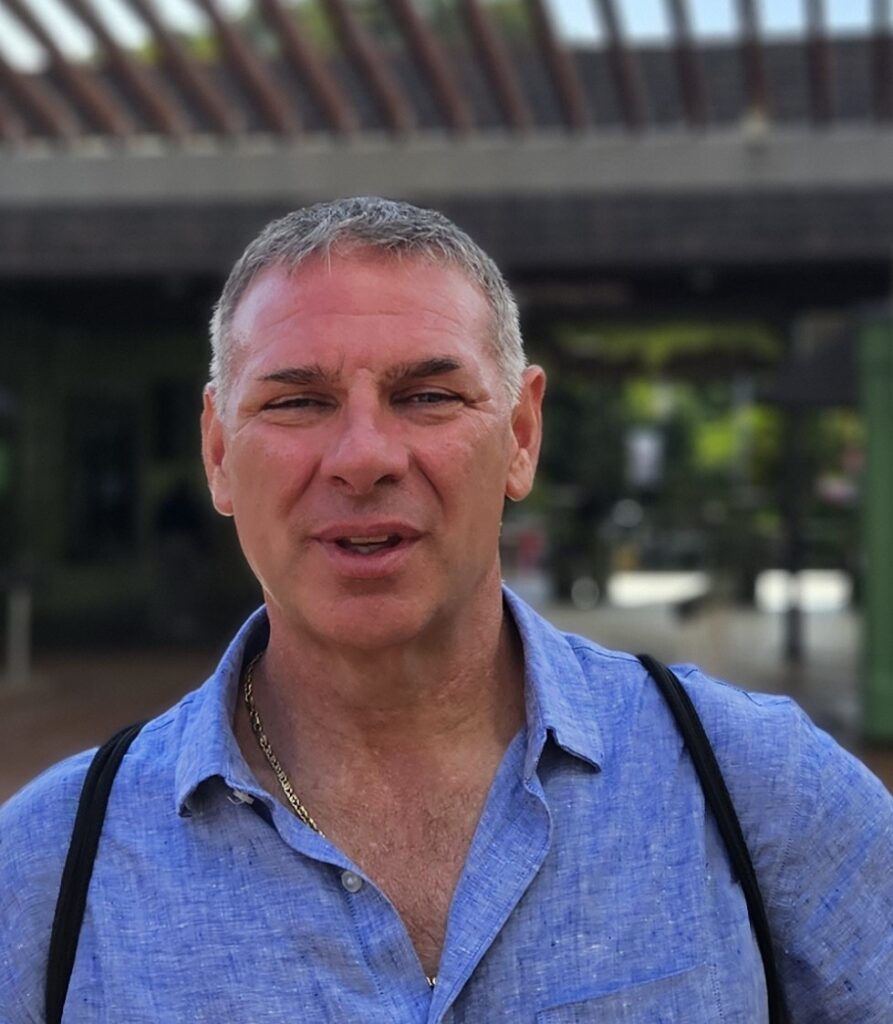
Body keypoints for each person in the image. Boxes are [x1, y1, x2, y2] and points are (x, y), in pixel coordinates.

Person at [1, 197, 891, 1023]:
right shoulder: (48, 869)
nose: (363, 456)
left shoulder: (757, 787)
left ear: (521, 436)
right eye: (298, 401)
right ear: (218, 451)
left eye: (426, 396)